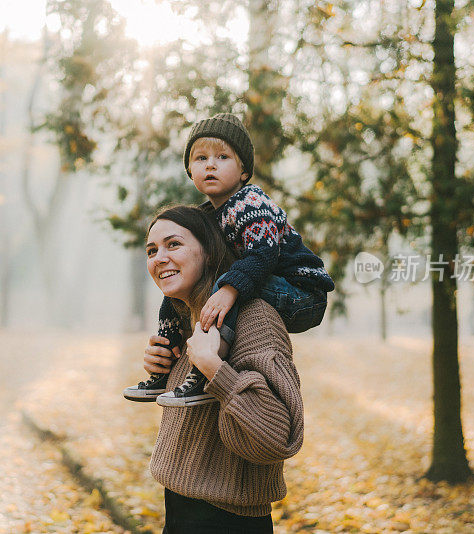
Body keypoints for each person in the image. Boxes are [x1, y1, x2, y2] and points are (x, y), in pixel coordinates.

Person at [124, 112, 334, 406]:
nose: (210, 164)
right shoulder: (207, 217)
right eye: (200, 158)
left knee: (225, 282)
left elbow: (263, 254)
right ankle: (164, 367)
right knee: (174, 292)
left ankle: (204, 368)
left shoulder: (251, 202)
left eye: (222, 157)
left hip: (302, 292)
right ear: (190, 170)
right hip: (267, 283)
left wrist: (228, 291)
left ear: (243, 171)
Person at [141, 205, 304, 532]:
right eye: (151, 250)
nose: (159, 257)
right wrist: (164, 370)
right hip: (179, 510)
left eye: (173, 245)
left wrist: (213, 368)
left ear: (210, 251)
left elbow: (280, 438)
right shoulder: (193, 321)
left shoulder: (254, 318)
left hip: (228, 522)